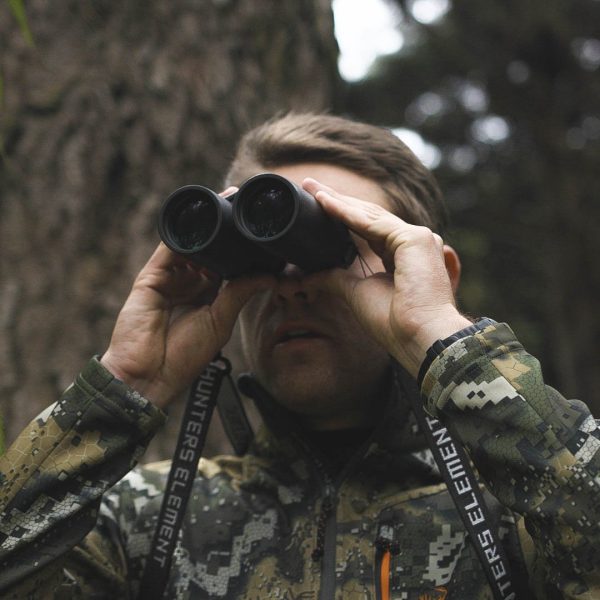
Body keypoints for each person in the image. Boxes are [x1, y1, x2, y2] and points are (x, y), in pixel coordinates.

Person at [0, 113, 598, 599]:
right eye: (261, 251)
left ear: (431, 275)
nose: (293, 283)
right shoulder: (146, 521)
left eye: (333, 243)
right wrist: (126, 384)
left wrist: (442, 338)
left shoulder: (523, 510)